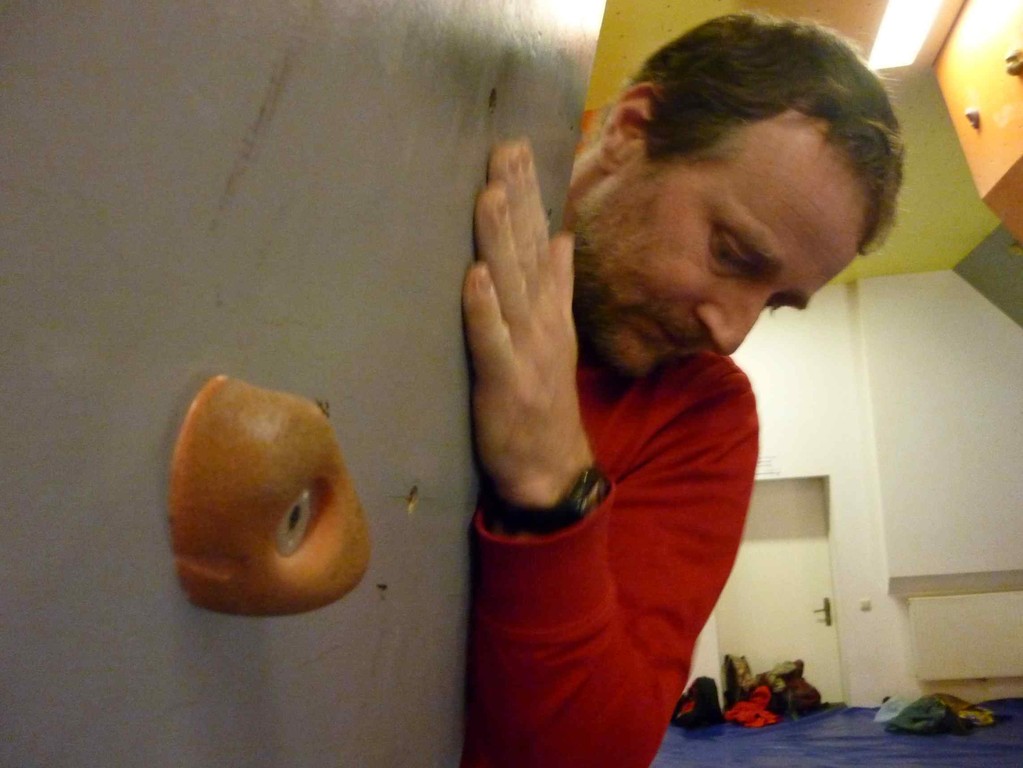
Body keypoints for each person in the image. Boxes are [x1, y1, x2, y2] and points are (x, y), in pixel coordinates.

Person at [459, 13, 903, 768]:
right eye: (730, 254)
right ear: (632, 129)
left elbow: (595, 755)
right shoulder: (416, 233)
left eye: (774, 303)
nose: (730, 333)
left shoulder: (703, 412)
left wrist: (551, 487)